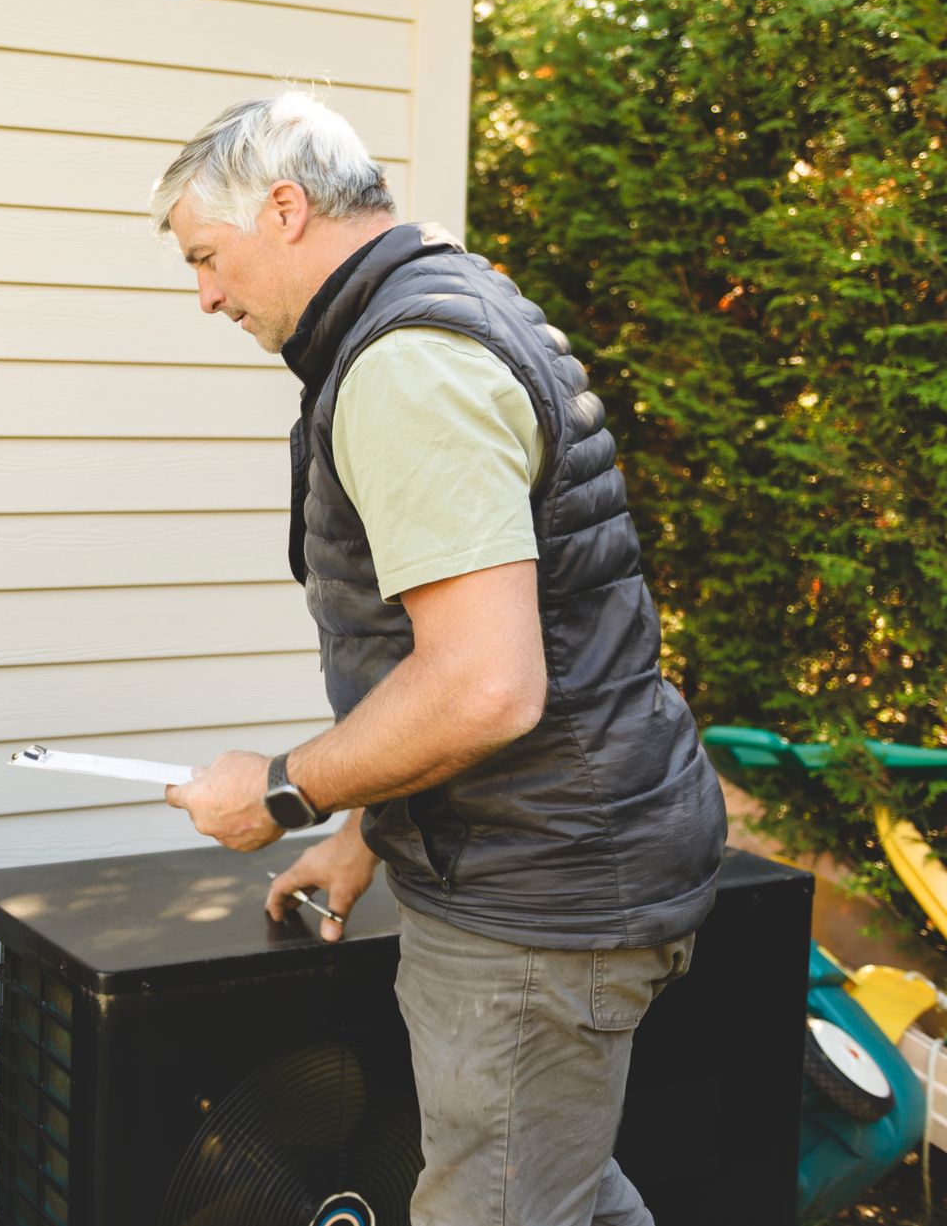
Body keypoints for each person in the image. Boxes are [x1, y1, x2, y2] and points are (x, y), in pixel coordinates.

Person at [153, 91, 728, 1226]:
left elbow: (485, 683)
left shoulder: (407, 365)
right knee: (560, 1191)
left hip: (535, 903)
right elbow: (510, 642)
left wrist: (283, 790)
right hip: (558, 864)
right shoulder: (450, 306)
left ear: (284, 208)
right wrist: (369, 829)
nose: (207, 293)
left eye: (208, 257)